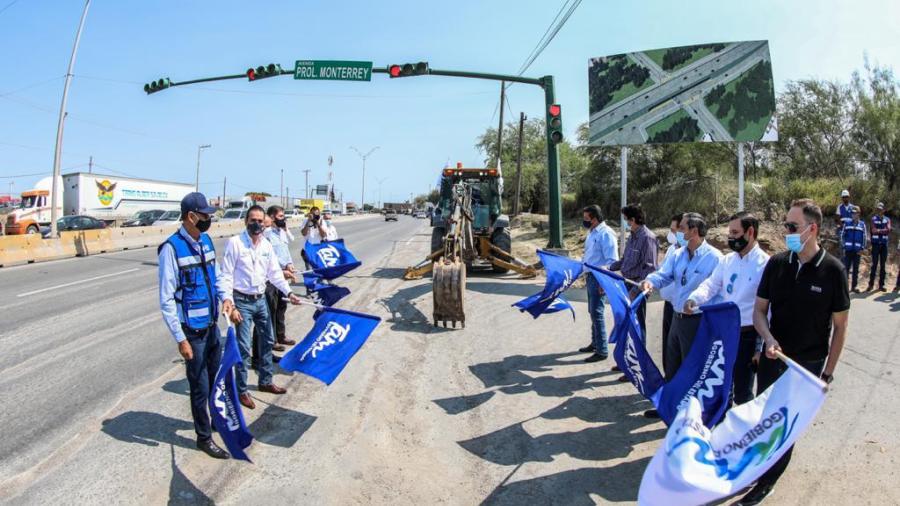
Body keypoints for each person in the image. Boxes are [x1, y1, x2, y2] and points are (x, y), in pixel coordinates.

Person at [739, 198, 849, 505]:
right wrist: (767, 339)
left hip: (806, 366)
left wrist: (827, 374)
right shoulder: (777, 264)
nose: (786, 231)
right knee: (766, 419)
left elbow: (840, 327)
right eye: (785, 225)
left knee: (785, 426)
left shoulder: (833, 271)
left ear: (812, 229)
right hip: (772, 359)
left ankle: (767, 481)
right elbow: (759, 311)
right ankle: (760, 468)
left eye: (792, 226)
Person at [157, 192, 229, 459]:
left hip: (212, 326)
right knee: (199, 387)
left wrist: (226, 299)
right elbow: (166, 299)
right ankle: (204, 437)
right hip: (192, 333)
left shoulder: (206, 241)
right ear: (190, 216)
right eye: (205, 215)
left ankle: (214, 420)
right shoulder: (171, 248)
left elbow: (216, 277)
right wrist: (181, 339)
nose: (209, 219)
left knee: (214, 380)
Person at [218, 205, 302, 410]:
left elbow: (274, 274)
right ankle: (241, 390)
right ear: (246, 221)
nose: (256, 224)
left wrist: (289, 293)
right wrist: (229, 302)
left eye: (260, 221)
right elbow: (226, 275)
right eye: (252, 220)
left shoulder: (266, 245)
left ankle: (265, 381)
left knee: (267, 341)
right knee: (244, 347)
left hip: (260, 299)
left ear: (265, 223)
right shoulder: (235, 243)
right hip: (242, 301)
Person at [685, 211, 770, 406]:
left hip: (749, 336)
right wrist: (694, 298)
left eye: (735, 232)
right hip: (725, 333)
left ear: (750, 232)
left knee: (743, 393)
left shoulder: (765, 264)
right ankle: (721, 421)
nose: (730, 237)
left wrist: (762, 347)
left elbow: (769, 310)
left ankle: (741, 424)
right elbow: (711, 285)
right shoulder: (727, 260)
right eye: (729, 232)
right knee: (721, 387)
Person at [641, 212, 723, 379]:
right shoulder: (678, 254)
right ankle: (671, 396)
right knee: (672, 367)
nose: (678, 232)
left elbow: (717, 291)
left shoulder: (715, 258)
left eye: (682, 228)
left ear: (694, 231)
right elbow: (664, 275)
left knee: (692, 370)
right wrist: (650, 281)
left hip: (698, 321)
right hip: (676, 318)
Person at [251, 206, 297, 370]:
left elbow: (283, 252)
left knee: (273, 315)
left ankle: (267, 353)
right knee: (264, 321)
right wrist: (282, 271)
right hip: (266, 283)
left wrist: (288, 265)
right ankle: (257, 358)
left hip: (277, 278)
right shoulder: (263, 237)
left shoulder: (279, 233)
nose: (282, 219)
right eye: (280, 216)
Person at [608, 204, 658, 335]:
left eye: (626, 219)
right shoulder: (632, 236)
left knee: (637, 325)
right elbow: (624, 260)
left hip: (638, 287)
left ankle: (639, 349)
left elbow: (650, 268)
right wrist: (608, 268)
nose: (625, 222)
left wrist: (635, 291)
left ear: (633, 220)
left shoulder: (648, 238)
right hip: (626, 285)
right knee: (627, 324)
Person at [579, 205, 619, 363]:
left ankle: (602, 350)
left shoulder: (606, 234)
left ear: (594, 219)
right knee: (592, 311)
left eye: (586, 218)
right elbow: (589, 255)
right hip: (590, 276)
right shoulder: (592, 233)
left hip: (599, 278)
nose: (584, 221)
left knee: (597, 312)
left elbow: (612, 261)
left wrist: (604, 281)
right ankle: (595, 343)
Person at [840, 206, 867, 293]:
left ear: (859, 214)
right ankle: (844, 287)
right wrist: (844, 246)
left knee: (855, 270)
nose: (853, 215)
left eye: (855, 213)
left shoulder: (862, 224)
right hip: (848, 250)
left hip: (857, 251)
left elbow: (864, 237)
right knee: (846, 269)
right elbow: (842, 235)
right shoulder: (847, 223)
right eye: (852, 213)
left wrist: (862, 248)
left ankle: (854, 287)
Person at [867, 202, 891, 292]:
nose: (879, 211)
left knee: (883, 265)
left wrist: (878, 230)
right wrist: (882, 230)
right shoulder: (873, 219)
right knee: (874, 264)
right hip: (875, 244)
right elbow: (873, 230)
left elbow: (888, 230)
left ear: (883, 210)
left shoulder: (887, 219)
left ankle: (881, 285)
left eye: (880, 209)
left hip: (884, 245)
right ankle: (871, 285)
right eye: (878, 209)